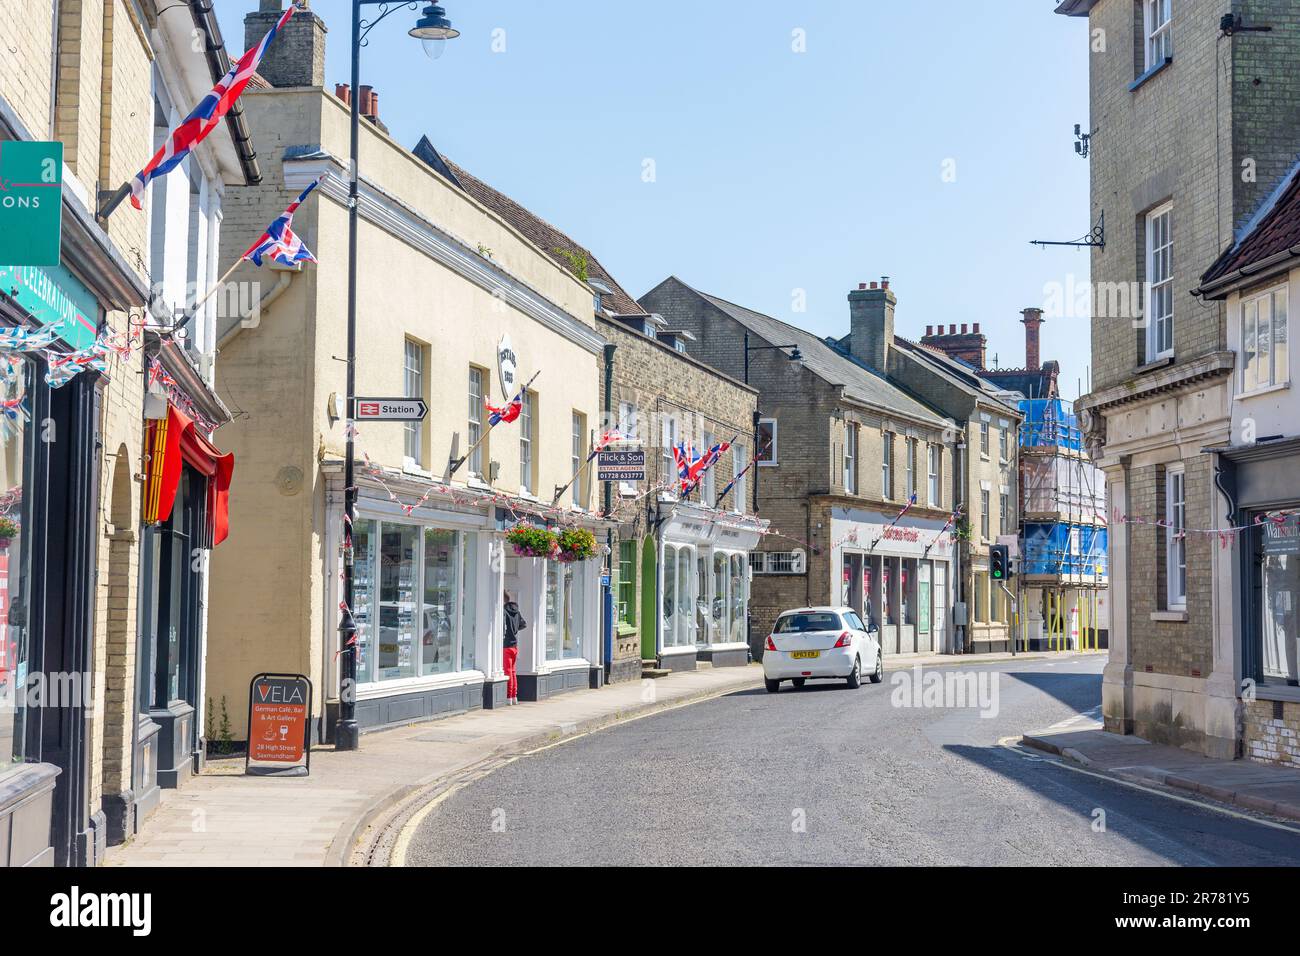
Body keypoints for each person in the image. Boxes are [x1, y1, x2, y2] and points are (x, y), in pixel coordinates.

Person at [502, 591, 526, 705]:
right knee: (513, 671)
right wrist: (514, 630)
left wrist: (507, 632)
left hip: (506, 645)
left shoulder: (503, 611)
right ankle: (514, 696)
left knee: (508, 672)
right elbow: (523, 624)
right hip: (514, 646)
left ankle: (509, 697)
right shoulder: (516, 611)